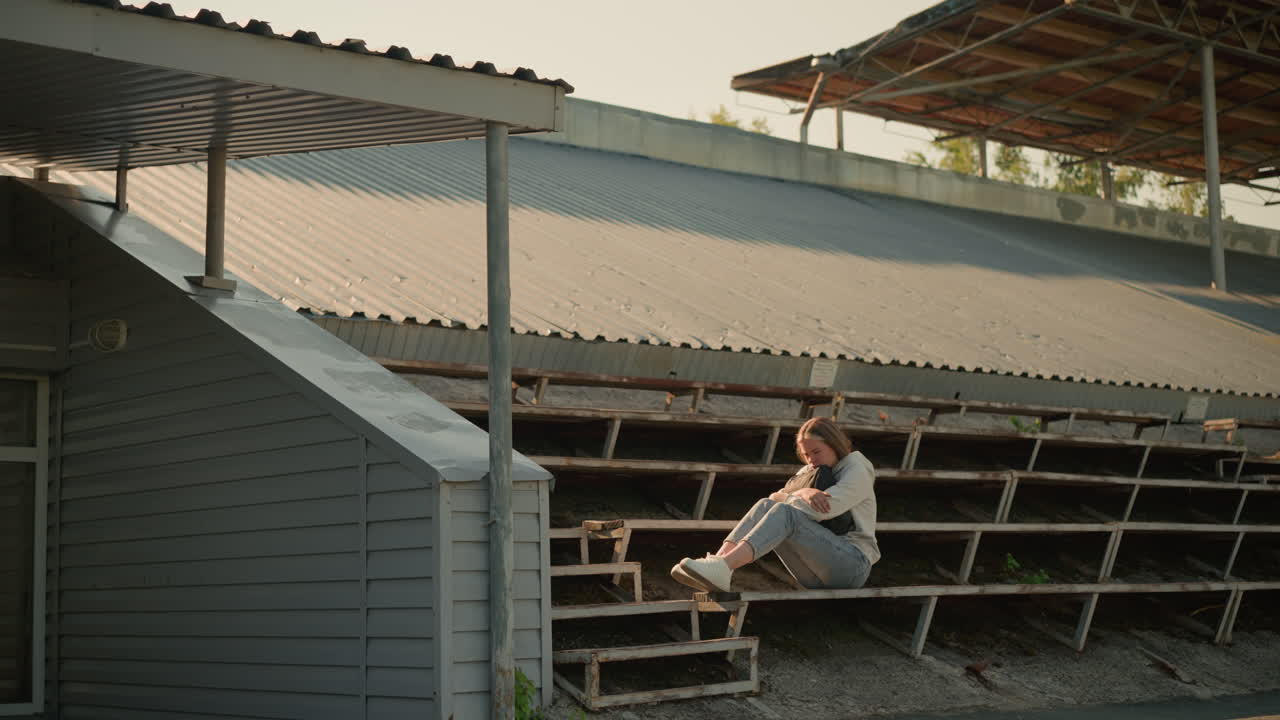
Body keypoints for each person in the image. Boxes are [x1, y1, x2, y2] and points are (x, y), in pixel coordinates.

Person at [670, 416, 879, 593]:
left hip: (852, 566)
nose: (811, 460)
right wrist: (804, 491)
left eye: (817, 452)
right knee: (765, 505)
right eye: (806, 455)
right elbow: (772, 497)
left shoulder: (857, 467)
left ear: (835, 445)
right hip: (812, 572)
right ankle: (719, 563)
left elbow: (826, 509)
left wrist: (794, 496)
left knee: (784, 512)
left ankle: (723, 566)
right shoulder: (811, 469)